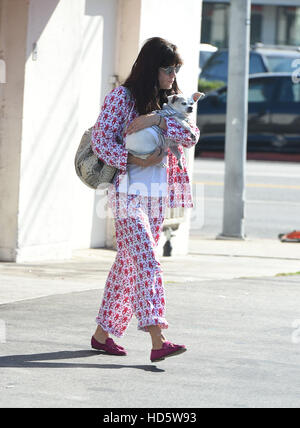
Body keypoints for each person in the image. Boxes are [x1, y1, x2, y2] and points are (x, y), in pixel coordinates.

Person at [90, 37, 200, 363]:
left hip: (156, 199)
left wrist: (155, 119)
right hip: (126, 196)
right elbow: (100, 139)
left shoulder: (171, 101)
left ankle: (101, 335)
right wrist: (132, 160)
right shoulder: (121, 98)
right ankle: (158, 338)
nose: (172, 75)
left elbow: (190, 135)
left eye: (175, 69)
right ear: (152, 68)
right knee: (147, 261)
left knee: (128, 265)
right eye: (168, 69)